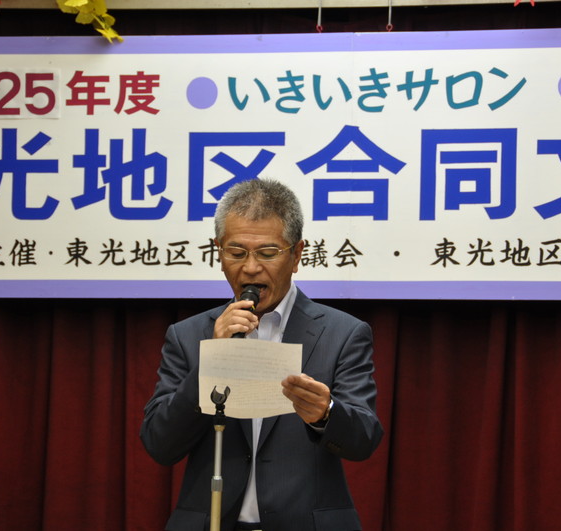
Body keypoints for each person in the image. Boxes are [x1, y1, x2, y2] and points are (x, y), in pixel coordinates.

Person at [140, 178, 383, 531]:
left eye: (267, 253)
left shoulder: (342, 333)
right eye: (236, 253)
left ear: (297, 255)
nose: (251, 268)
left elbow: (363, 441)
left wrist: (325, 413)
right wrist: (212, 360)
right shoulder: (189, 335)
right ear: (218, 251)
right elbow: (159, 444)